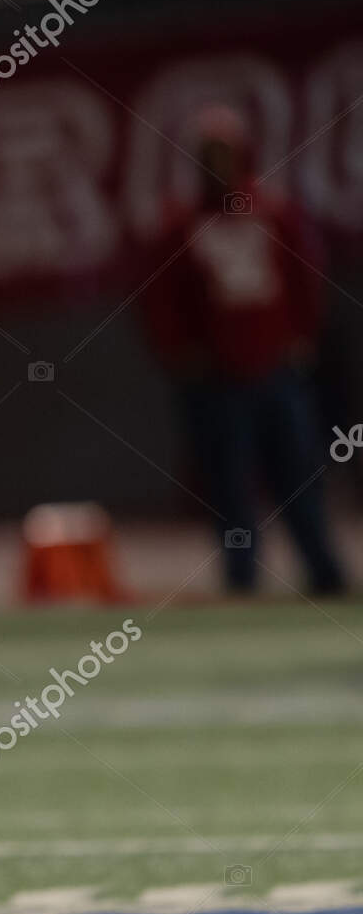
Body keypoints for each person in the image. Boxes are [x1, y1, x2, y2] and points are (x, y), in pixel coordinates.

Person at [143, 107, 346, 596]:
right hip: (217, 377)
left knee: (299, 475)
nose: (218, 164)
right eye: (208, 155)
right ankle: (242, 579)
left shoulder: (274, 212)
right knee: (230, 483)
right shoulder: (182, 224)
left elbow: (305, 279)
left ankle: (324, 573)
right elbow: (159, 298)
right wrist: (179, 352)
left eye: (225, 153)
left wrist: (302, 337)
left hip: (276, 369)